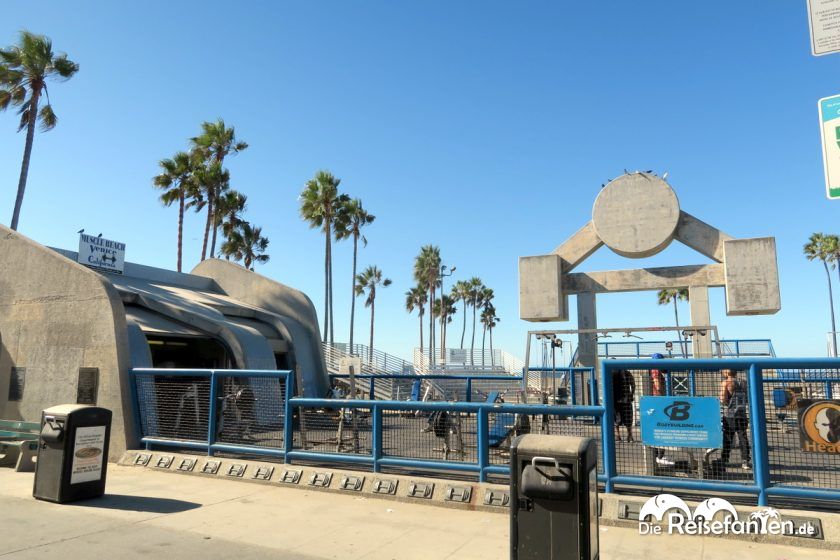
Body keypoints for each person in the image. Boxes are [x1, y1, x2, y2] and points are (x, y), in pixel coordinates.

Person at [719, 369, 751, 470]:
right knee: (743, 437)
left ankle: (724, 459)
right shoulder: (744, 382)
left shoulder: (726, 382)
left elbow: (723, 400)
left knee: (728, 437)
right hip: (741, 414)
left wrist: (723, 391)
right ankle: (745, 461)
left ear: (727, 373)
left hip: (730, 415)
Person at [650, 353, 674, 466]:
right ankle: (659, 456)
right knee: (662, 428)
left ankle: (657, 455)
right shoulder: (656, 370)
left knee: (657, 428)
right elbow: (658, 385)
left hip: (655, 402)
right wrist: (663, 400)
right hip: (658, 402)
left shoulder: (652, 369)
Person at [613, 368, 635, 442]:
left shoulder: (611, 373)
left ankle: (618, 435)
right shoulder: (627, 373)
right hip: (626, 399)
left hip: (615, 400)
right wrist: (631, 394)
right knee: (628, 418)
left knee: (616, 418)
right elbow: (633, 384)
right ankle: (629, 435)